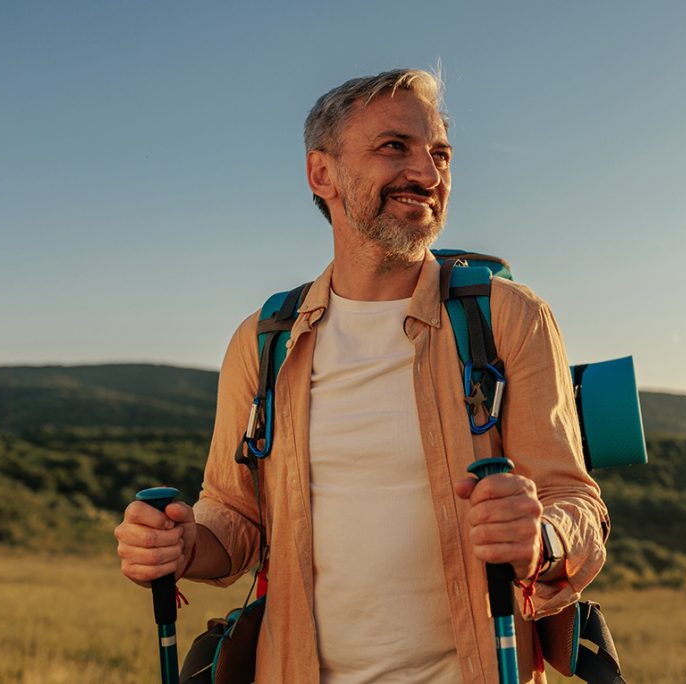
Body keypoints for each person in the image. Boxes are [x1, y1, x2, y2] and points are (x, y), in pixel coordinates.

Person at [115, 68, 608, 683]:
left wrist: (539, 535)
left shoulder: (508, 316)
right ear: (322, 174)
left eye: (440, 155)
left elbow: (576, 505)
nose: (427, 175)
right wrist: (182, 545)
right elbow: (233, 517)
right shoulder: (265, 340)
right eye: (394, 147)